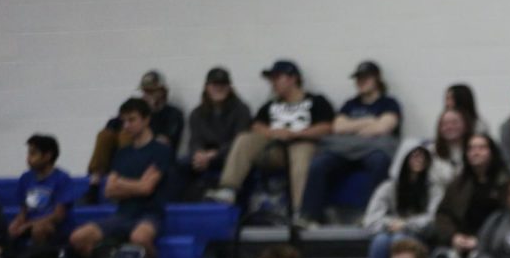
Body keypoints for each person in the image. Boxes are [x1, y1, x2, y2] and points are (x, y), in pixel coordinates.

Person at [206, 60, 335, 216]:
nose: (273, 83)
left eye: (277, 78)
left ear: (293, 79)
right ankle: (228, 189)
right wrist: (274, 132)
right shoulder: (270, 105)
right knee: (245, 138)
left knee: (301, 151)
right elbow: (256, 126)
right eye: (272, 79)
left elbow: (327, 127)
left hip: (305, 147)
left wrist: (295, 134)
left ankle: (300, 211)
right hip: (276, 150)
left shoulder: (316, 101)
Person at [69, 98, 169, 258]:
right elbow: (109, 191)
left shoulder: (161, 151)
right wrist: (136, 185)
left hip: (150, 214)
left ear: (146, 120)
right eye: (124, 121)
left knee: (139, 238)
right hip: (123, 214)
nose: (126, 126)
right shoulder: (122, 153)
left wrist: (122, 183)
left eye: (132, 120)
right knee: (78, 238)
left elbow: (147, 188)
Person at [301, 61, 402, 225]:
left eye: (365, 78)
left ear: (376, 79)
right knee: (318, 164)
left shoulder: (389, 103)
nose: (360, 82)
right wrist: (369, 121)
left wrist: (352, 126)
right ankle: (310, 217)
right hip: (345, 151)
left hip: (373, 150)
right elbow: (338, 127)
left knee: (380, 162)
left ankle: (370, 215)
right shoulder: (350, 104)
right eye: (358, 78)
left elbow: (383, 128)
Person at [84, 70, 183, 203]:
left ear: (162, 91)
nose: (148, 95)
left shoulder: (172, 113)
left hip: (151, 158)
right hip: (129, 153)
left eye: (152, 91)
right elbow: (112, 125)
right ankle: (94, 183)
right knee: (105, 135)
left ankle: (126, 177)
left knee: (126, 135)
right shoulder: (135, 113)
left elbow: (164, 141)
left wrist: (150, 113)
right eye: (145, 91)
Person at [432, 133, 510, 258]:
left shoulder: (506, 182)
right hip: (459, 241)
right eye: (471, 149)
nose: (475, 152)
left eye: (481, 148)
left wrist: (480, 242)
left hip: (492, 244)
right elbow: (442, 215)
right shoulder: (458, 183)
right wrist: (453, 236)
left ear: (492, 152)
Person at [361, 147, 439, 258]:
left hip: (419, 234)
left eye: (423, 157)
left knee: (400, 241)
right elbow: (371, 218)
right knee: (380, 241)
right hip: (388, 231)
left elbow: (433, 217)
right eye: (414, 156)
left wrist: (406, 224)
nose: (419, 160)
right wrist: (391, 223)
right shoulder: (388, 187)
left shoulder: (434, 188)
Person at [170, 67, 252, 202]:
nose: (219, 88)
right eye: (215, 85)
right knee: (178, 167)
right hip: (204, 158)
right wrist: (198, 154)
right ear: (207, 87)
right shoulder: (196, 113)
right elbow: (195, 140)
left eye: (223, 85)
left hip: (230, 157)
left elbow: (240, 141)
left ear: (229, 87)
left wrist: (214, 155)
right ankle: (180, 205)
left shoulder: (242, 110)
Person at [9, 135, 74, 253]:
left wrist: (30, 225)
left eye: (33, 154)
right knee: (9, 230)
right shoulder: (26, 178)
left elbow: (59, 215)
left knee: (39, 229)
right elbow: (23, 211)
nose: (28, 158)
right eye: (28, 153)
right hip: (29, 224)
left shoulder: (62, 178)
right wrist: (17, 223)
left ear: (47, 156)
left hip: (53, 227)